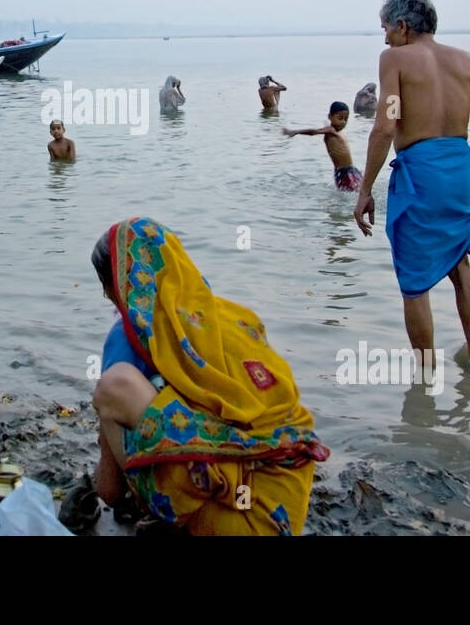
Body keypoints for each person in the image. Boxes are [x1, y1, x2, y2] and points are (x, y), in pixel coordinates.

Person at [89, 217, 329, 535]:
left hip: (232, 524)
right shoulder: (232, 318)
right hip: (284, 511)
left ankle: (172, 511)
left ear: (115, 287)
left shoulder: (129, 336)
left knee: (115, 387)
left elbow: (108, 491)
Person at [354, 0, 470, 362]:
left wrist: (365, 189)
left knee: (414, 282)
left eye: (385, 28)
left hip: (421, 175)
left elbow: (385, 127)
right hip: (459, 172)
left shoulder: (395, 59)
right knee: (460, 264)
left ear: (403, 26)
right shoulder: (467, 61)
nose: (385, 37)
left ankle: (425, 373)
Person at [282, 102, 361, 191]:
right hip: (344, 172)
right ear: (330, 117)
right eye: (340, 118)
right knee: (354, 193)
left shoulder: (334, 130)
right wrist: (295, 132)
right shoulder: (331, 130)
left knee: (356, 193)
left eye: (346, 119)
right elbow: (314, 132)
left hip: (350, 170)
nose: (343, 122)